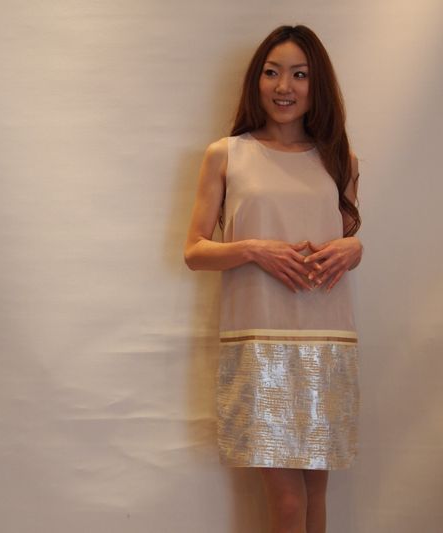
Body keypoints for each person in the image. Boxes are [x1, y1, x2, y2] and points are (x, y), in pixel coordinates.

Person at [184, 24, 362, 533]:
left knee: (315, 492)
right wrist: (253, 249)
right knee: (286, 502)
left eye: (299, 74)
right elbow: (194, 251)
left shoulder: (340, 159)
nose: (284, 86)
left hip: (326, 338)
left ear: (316, 83)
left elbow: (344, 242)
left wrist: (356, 248)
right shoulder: (227, 153)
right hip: (260, 342)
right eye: (272, 72)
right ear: (256, 80)